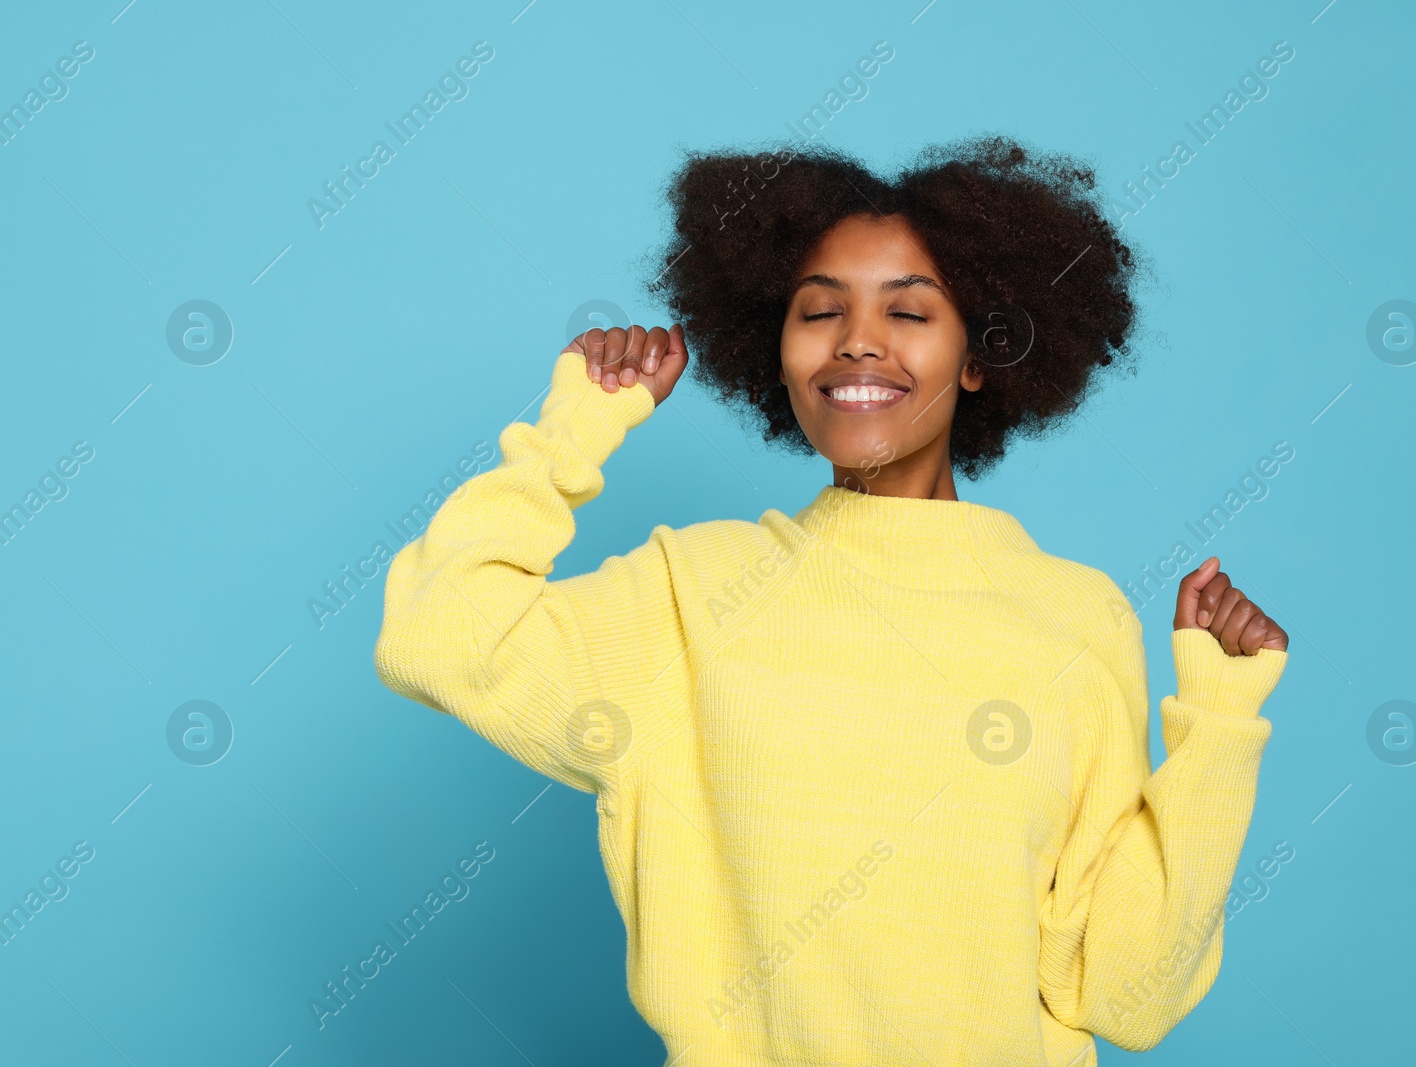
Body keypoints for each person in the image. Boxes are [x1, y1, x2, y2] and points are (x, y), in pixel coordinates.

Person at [374, 134, 1289, 1066]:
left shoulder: (1077, 617)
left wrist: (1218, 727)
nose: (858, 339)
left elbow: (1127, 993)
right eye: (820, 311)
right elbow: (438, 634)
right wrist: (571, 433)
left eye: (910, 311)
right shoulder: (690, 597)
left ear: (979, 356)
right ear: (775, 354)